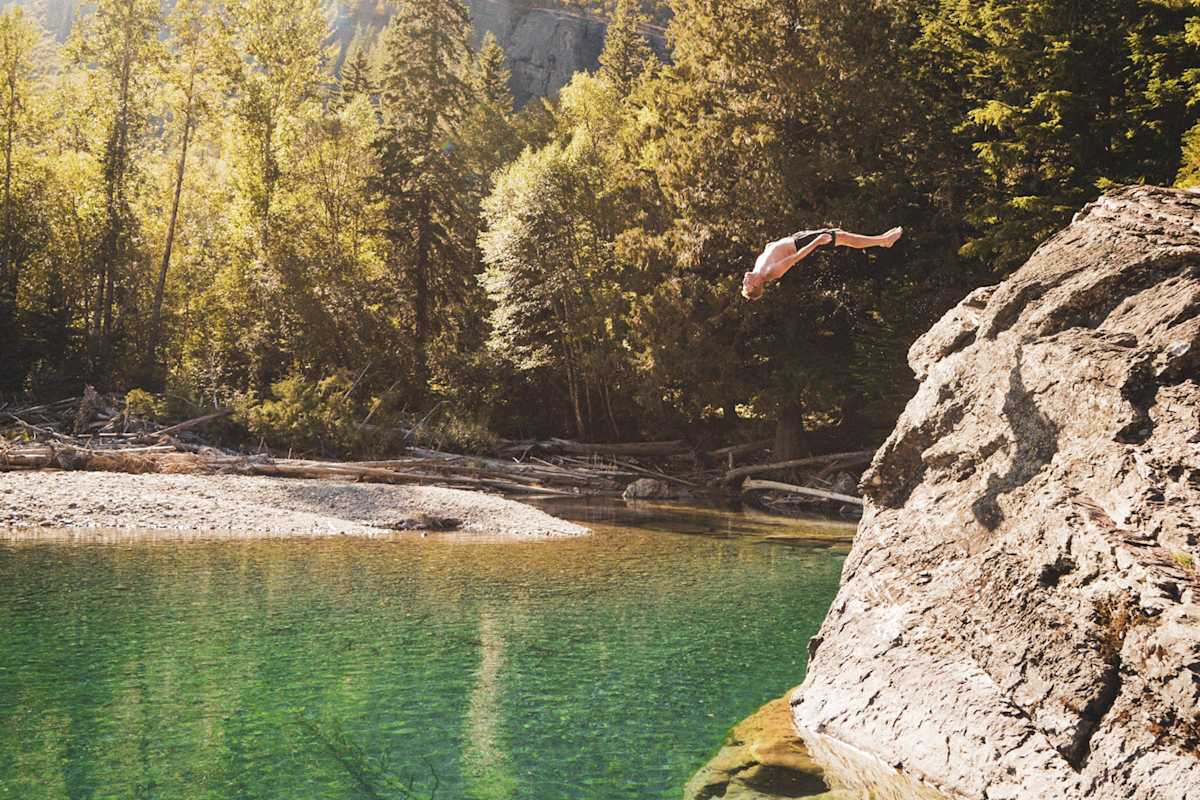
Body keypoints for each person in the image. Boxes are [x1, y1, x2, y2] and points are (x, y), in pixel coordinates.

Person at [741, 226, 903, 301]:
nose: (744, 281)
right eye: (746, 285)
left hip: (797, 237)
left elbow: (770, 250)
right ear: (756, 284)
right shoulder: (771, 272)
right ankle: (883, 241)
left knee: (839, 233)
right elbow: (797, 256)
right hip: (802, 244)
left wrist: (773, 245)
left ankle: (881, 239)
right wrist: (817, 242)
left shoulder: (757, 270)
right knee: (843, 237)